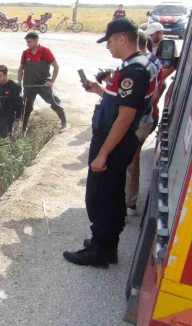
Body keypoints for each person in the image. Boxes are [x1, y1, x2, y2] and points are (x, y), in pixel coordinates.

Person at [63, 18, 153, 268]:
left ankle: (100, 251)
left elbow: (125, 117)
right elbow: (121, 104)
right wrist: (99, 91)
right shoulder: (137, 65)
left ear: (122, 39)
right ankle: (106, 245)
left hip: (113, 141)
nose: (107, 47)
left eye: (110, 41)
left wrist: (102, 154)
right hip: (116, 139)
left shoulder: (133, 71)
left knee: (99, 196)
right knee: (110, 194)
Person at [124, 30, 162, 218]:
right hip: (148, 117)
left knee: (131, 160)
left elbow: (153, 96)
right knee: (131, 160)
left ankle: (129, 203)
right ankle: (128, 201)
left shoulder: (141, 66)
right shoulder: (153, 61)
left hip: (141, 120)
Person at [18, 32, 69, 133]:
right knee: (26, 107)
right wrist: (19, 84)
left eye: (29, 42)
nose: (28, 44)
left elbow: (56, 67)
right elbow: (21, 69)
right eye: (27, 42)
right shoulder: (25, 53)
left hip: (43, 83)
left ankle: (64, 123)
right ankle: (23, 129)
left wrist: (52, 81)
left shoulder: (45, 51)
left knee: (54, 102)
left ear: (36, 40)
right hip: (29, 84)